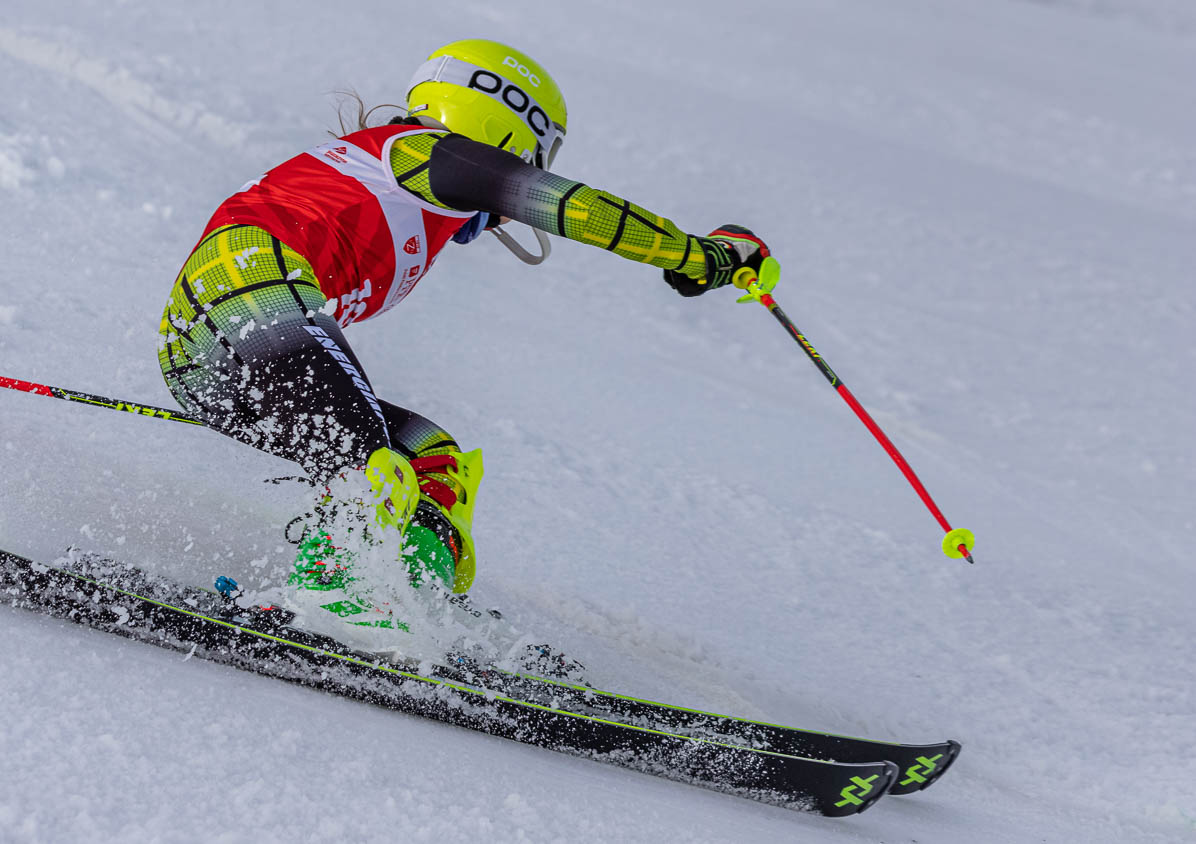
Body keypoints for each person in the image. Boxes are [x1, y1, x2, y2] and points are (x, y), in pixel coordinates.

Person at [158, 39, 775, 629]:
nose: (512, 199)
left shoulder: (403, 190)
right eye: (534, 155)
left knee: (432, 459)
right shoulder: (427, 155)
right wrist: (695, 253)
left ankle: (402, 595)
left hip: (214, 353)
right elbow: (576, 208)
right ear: (506, 129)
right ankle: (333, 598)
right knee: (372, 464)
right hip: (247, 292)